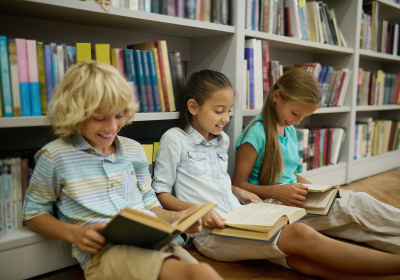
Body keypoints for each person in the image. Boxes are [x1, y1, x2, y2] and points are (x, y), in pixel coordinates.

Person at [152, 69, 400, 279]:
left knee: (297, 258)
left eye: (229, 110)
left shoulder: (221, 140)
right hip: (209, 235)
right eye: (219, 111)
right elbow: (161, 192)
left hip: (240, 216)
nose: (226, 118)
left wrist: (238, 191)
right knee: (302, 234)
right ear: (193, 107)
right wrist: (198, 212)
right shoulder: (174, 139)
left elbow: (218, 183)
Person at [22, 62, 222, 280]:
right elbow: (33, 214)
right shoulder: (55, 156)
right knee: (199, 274)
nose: (110, 127)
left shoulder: (134, 150)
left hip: (157, 244)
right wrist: (74, 234)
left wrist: (177, 218)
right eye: (99, 118)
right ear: (75, 113)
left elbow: (150, 204)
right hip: (106, 254)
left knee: (202, 273)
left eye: (118, 116)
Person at [233, 67, 400, 256]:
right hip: (272, 208)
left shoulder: (287, 129)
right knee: (356, 204)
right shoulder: (255, 133)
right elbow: (238, 184)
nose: (297, 121)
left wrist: (321, 191)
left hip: (291, 201)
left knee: (358, 227)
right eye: (295, 113)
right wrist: (277, 191)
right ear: (277, 96)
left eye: (303, 116)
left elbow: (289, 173)